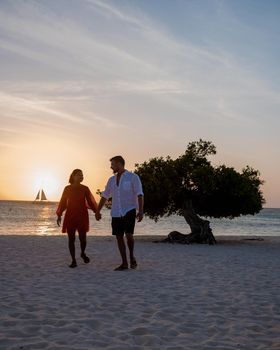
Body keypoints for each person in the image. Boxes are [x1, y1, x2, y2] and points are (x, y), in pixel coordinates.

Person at [95, 156, 144, 271]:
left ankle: (131, 257)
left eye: (112, 164)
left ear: (119, 164)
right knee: (119, 237)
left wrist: (141, 211)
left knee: (129, 235)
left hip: (129, 210)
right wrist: (98, 210)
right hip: (116, 212)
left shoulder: (133, 177)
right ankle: (124, 263)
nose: (111, 166)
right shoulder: (111, 180)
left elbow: (140, 194)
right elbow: (105, 196)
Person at [56, 169, 97, 268]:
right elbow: (62, 202)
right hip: (70, 215)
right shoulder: (67, 189)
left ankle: (82, 253)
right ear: (73, 176)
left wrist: (97, 212)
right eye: (79, 175)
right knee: (71, 239)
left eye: (82, 175)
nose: (81, 177)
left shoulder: (85, 188)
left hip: (82, 215)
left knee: (83, 239)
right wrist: (59, 215)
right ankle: (73, 260)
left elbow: (91, 202)